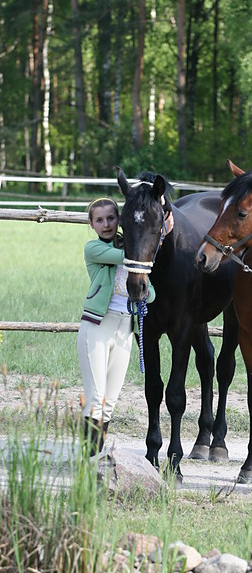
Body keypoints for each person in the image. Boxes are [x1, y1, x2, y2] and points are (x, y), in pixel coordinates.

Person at [77, 197, 157, 459]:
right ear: (91, 224)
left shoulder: (132, 252)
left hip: (124, 329)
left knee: (109, 403)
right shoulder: (94, 249)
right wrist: (140, 249)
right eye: (99, 220)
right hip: (97, 327)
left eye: (111, 218)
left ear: (119, 219)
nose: (106, 224)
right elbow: (120, 256)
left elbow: (152, 294)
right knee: (96, 398)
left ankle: (96, 460)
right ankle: (88, 463)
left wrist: (138, 253)